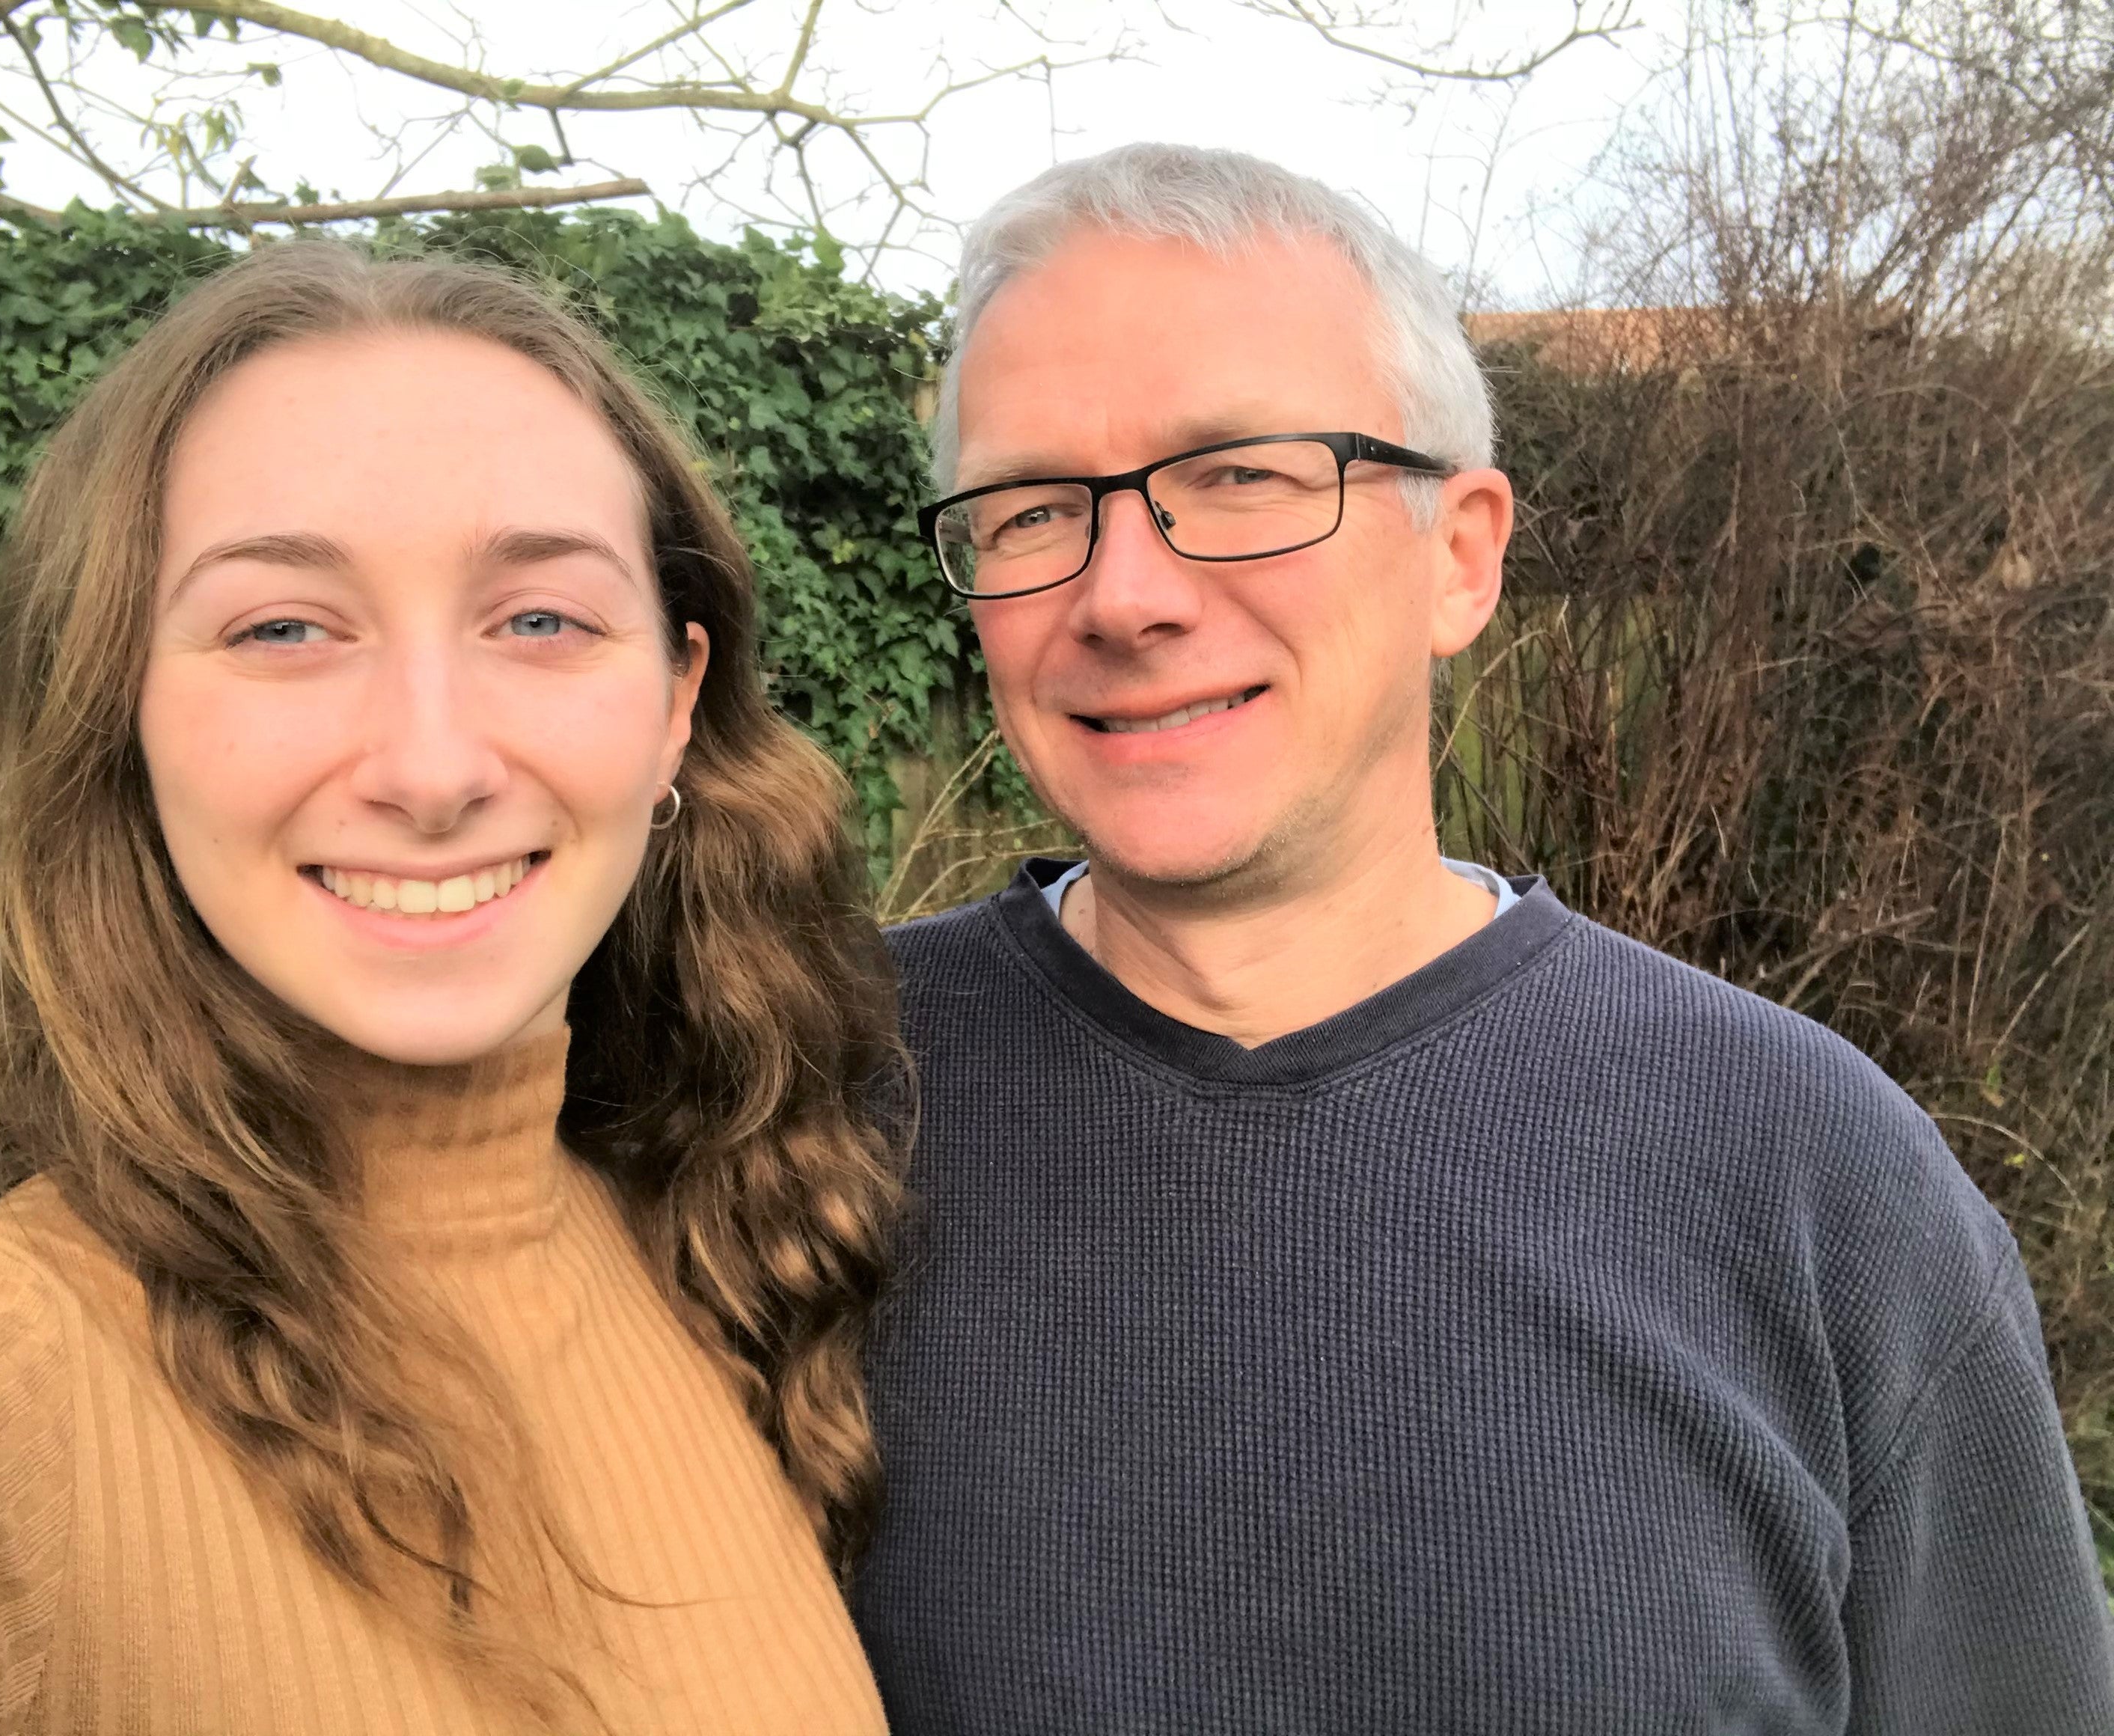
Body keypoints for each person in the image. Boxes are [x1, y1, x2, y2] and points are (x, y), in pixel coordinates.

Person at [851, 142, 2114, 1734]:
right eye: (1032, 506)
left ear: (1459, 554)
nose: (1123, 591)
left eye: (1239, 475)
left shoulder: (1809, 1182)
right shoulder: (778, 1109)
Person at [0, 242, 902, 1735]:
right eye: (282, 628)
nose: (432, 767)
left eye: (539, 620)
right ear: (114, 709)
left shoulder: (705, 1263)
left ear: (672, 704)